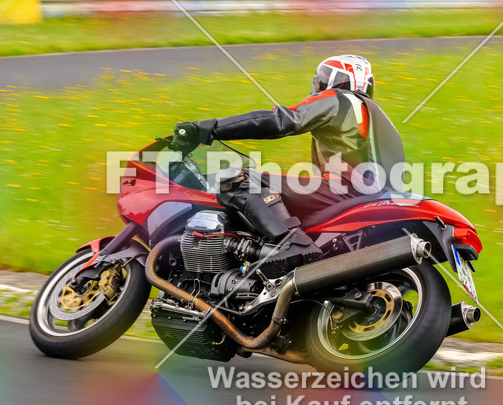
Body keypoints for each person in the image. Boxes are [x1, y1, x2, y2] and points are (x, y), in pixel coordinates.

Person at [173, 55, 405, 263]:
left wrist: (208, 129)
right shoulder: (377, 116)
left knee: (238, 180)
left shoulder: (339, 99)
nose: (319, 85)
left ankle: (292, 245)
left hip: (342, 189)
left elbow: (281, 121)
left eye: (323, 79)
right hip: (374, 197)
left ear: (339, 80)